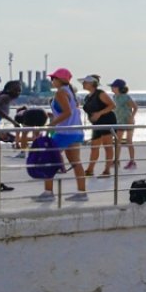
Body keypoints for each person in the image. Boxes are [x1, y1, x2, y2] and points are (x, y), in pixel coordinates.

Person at [43, 67, 89, 200]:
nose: (52, 81)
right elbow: (70, 112)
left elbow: (67, 112)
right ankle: (82, 193)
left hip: (64, 132)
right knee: (76, 162)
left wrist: (52, 124)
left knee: (48, 159)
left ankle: (48, 193)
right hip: (76, 131)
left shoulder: (61, 93)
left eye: (53, 79)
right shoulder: (70, 92)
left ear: (60, 80)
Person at [82, 74, 119, 177]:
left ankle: (107, 170)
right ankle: (90, 169)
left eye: (85, 82)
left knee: (107, 146)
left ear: (92, 83)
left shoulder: (100, 93)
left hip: (107, 120)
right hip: (96, 124)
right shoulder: (87, 97)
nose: (83, 84)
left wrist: (99, 114)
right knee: (94, 146)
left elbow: (112, 105)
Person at [110, 79, 139, 171]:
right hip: (119, 121)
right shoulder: (114, 97)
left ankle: (132, 161)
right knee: (117, 141)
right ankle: (116, 160)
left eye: (113, 86)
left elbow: (135, 107)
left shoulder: (125, 97)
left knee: (129, 141)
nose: (112, 88)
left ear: (118, 88)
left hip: (128, 121)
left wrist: (131, 117)